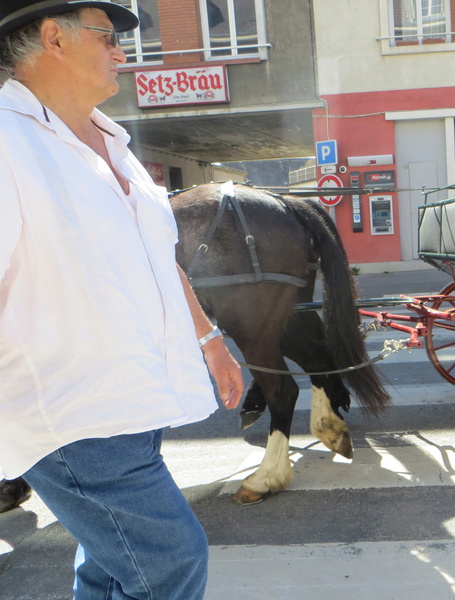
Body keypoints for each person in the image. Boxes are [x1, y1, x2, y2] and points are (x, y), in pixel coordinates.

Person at [0, 2, 244, 599]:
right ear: (53, 37)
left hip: (128, 396)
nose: (122, 52)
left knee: (110, 564)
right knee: (169, 561)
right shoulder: (7, 142)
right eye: (108, 37)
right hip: (68, 407)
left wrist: (209, 339)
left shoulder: (112, 140)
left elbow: (156, 258)